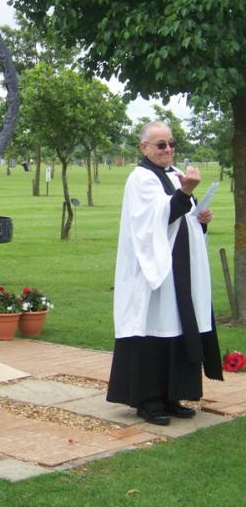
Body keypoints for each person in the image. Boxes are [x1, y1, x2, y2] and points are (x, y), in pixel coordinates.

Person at [106, 121, 223, 426]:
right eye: (161, 145)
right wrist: (185, 194)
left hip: (180, 268)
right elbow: (152, 220)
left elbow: (183, 217)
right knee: (152, 328)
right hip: (154, 270)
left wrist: (201, 218)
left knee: (177, 328)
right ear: (144, 148)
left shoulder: (174, 175)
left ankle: (172, 394)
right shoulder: (141, 178)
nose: (168, 149)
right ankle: (147, 399)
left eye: (171, 143)